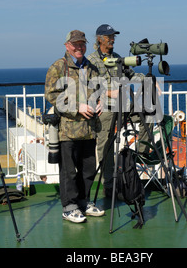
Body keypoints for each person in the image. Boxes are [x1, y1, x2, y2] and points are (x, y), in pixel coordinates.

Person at [45, 30, 105, 223]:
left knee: (88, 169)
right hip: (68, 130)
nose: (79, 47)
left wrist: (101, 101)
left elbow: (99, 89)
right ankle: (69, 207)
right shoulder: (59, 67)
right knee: (69, 171)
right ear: (67, 46)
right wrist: (76, 107)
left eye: (82, 44)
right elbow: (51, 95)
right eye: (76, 44)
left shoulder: (91, 67)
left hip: (89, 129)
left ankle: (84, 202)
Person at [87, 24, 152, 198]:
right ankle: (109, 186)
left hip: (123, 104)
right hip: (106, 108)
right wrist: (107, 92)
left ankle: (141, 154)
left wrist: (148, 81)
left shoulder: (117, 57)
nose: (112, 39)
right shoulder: (92, 60)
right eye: (109, 36)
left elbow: (132, 76)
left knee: (150, 111)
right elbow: (88, 85)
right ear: (100, 39)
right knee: (105, 147)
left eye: (113, 36)